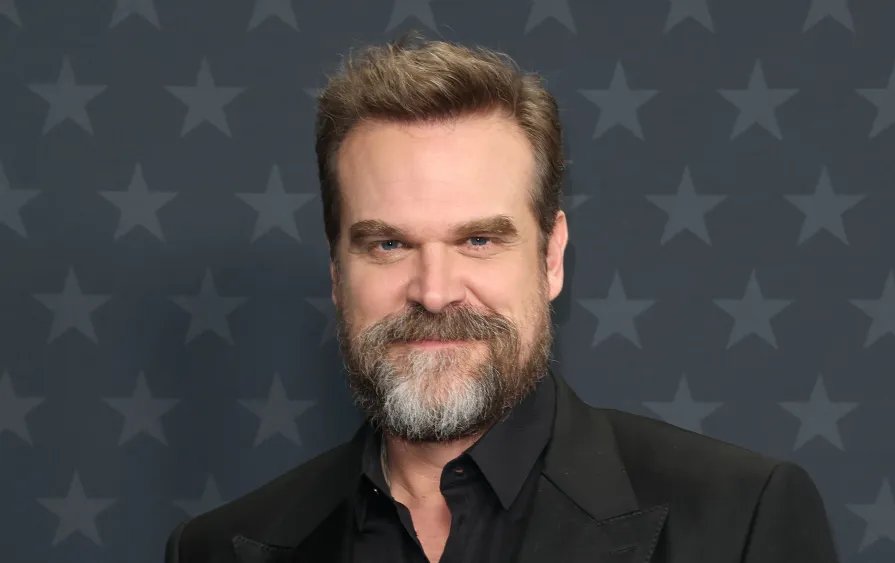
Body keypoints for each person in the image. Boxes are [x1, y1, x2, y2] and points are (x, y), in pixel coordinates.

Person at [163, 31, 840, 563]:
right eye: (389, 244)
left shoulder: (737, 521)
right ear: (338, 273)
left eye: (479, 240)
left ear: (551, 257)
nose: (434, 293)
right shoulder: (216, 550)